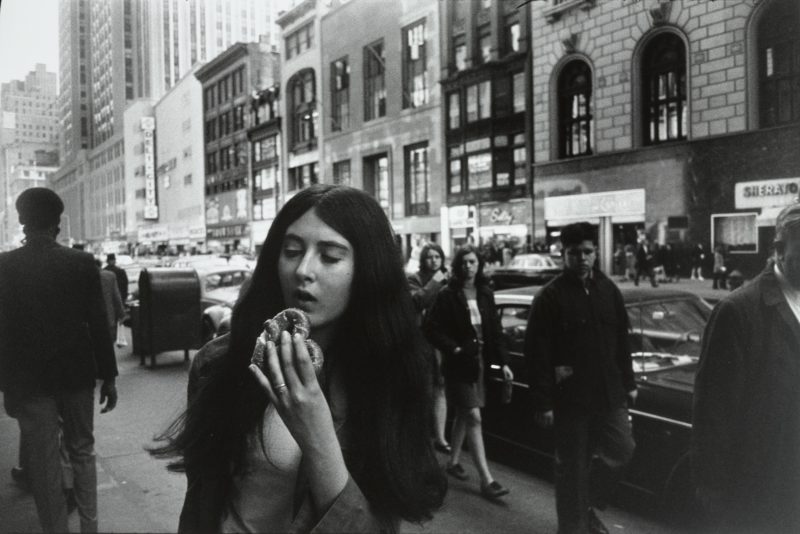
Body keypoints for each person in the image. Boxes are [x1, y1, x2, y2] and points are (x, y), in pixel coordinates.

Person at [148, 185, 446, 532]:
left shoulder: (393, 377)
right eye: (291, 251)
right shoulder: (218, 364)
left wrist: (317, 435)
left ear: (368, 270)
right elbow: (200, 504)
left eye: (330, 257)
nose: (303, 270)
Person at [0, 187, 118, 533]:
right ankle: (89, 528)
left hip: (29, 383)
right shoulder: (81, 263)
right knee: (82, 450)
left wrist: (7, 388)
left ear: (23, 222)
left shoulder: (4, 267)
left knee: (43, 462)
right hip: (77, 376)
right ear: (58, 224)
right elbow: (99, 324)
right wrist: (109, 376)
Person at [692, 202, 800, 533]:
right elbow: (714, 410)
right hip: (760, 488)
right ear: (779, 250)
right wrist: (714, 489)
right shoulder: (738, 311)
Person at [524, 222, 637, 534]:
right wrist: (543, 401)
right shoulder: (550, 297)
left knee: (622, 450)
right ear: (564, 254)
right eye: (574, 253)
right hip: (570, 399)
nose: (582, 258)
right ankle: (572, 527)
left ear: (596, 252)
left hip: (608, 393)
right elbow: (537, 353)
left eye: (588, 252)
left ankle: (585, 505)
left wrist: (629, 383)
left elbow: (622, 343)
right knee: (571, 468)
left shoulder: (608, 290)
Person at [423, 245, 514, 501]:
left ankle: (453, 462)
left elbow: (494, 331)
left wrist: (504, 362)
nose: (468, 267)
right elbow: (431, 328)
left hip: (479, 364)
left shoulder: (485, 293)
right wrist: (454, 348)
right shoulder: (447, 295)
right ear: (457, 266)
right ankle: (487, 479)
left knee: (465, 413)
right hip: (459, 363)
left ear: (479, 265)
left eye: (473, 262)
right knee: (474, 416)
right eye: (464, 262)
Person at [407, 243, 451, 454]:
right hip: (421, 340)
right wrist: (435, 282)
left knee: (441, 386)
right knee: (424, 388)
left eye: (437, 257)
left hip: (441, 339)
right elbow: (417, 302)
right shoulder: (415, 279)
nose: (434, 261)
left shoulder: (447, 281)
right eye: (430, 257)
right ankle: (422, 436)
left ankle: (441, 437)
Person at [96, 259, 125, 342]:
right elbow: (116, 296)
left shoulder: (85, 277)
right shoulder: (109, 275)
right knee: (109, 345)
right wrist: (121, 314)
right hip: (108, 317)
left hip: (92, 321)